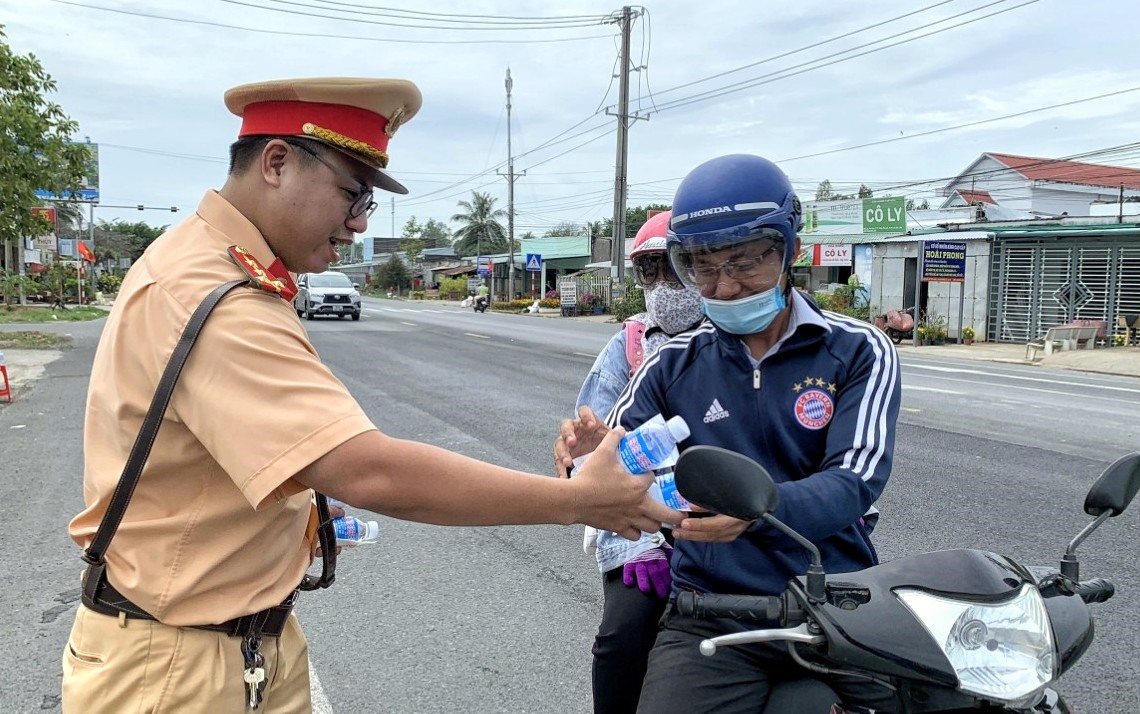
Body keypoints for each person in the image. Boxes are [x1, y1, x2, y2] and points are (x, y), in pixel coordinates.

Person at [62, 76, 681, 714]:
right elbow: (369, 469)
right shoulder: (216, 296)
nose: (357, 223)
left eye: (367, 203)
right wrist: (576, 501)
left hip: (228, 644)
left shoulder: (213, 262)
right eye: (352, 192)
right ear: (276, 163)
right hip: (179, 668)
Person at [556, 154, 901, 713]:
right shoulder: (671, 363)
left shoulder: (857, 349)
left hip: (833, 601)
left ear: (788, 249)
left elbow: (855, 479)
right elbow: (613, 464)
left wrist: (758, 511)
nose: (725, 286)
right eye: (703, 268)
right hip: (708, 612)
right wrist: (590, 456)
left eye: (743, 263)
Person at [573, 211, 704, 714]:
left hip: (729, 522)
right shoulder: (628, 346)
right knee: (622, 641)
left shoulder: (738, 340)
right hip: (641, 527)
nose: (664, 284)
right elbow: (589, 457)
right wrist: (642, 541)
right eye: (651, 270)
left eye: (677, 267)